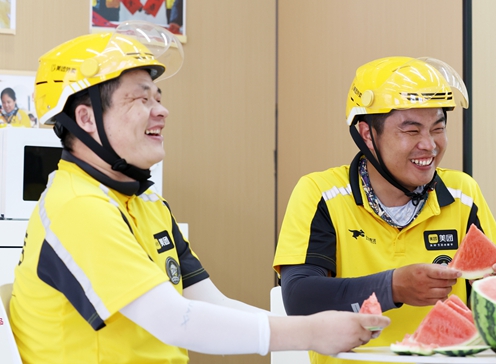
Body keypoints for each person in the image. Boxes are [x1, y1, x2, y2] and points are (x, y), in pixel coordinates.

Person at [10, 22, 389, 363]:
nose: (161, 111)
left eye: (158, 98)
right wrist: (310, 333)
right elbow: (172, 319)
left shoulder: (145, 201)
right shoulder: (78, 205)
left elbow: (209, 302)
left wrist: (314, 330)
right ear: (87, 118)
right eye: (142, 99)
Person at [273, 56, 496, 364]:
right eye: (411, 131)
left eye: (438, 128)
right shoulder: (321, 193)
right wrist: (392, 288)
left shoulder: (463, 193)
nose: (429, 145)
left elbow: (494, 314)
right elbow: (300, 300)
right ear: (367, 134)